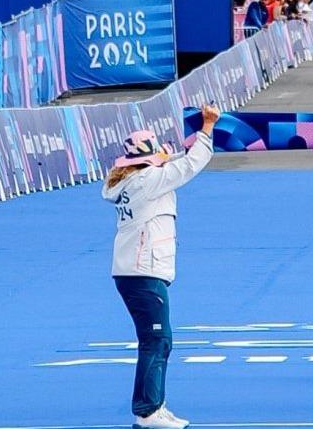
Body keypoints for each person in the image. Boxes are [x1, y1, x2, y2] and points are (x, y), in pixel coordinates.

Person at [103, 109, 220, 429]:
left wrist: (164, 157)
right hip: (142, 271)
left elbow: (171, 165)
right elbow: (191, 164)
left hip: (137, 269)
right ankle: (147, 410)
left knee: (158, 340)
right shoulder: (147, 181)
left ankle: (153, 404)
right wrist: (207, 127)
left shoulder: (134, 179)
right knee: (156, 340)